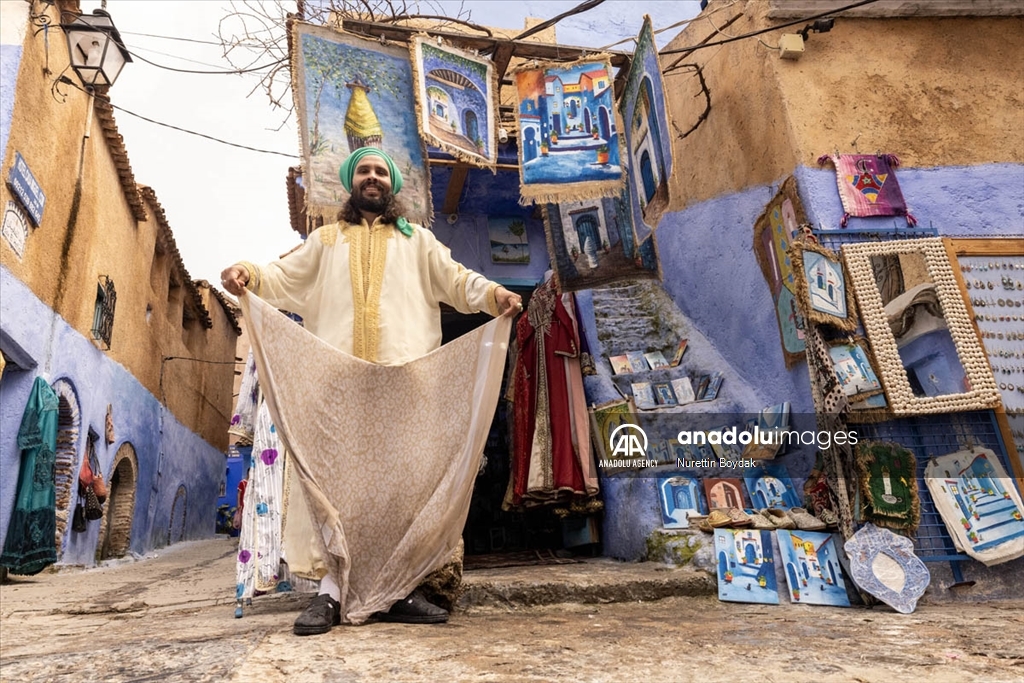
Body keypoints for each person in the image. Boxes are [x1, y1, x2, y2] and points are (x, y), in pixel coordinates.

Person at [221, 147, 522, 635]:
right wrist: (247, 273)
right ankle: (330, 593)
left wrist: (495, 295)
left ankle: (398, 590)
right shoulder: (325, 241)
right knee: (333, 490)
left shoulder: (419, 242)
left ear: (392, 185)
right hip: (338, 390)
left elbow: (458, 280)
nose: (373, 177)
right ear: (351, 182)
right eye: (364, 170)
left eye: (381, 171)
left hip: (405, 388)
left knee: (399, 493)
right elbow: (279, 277)